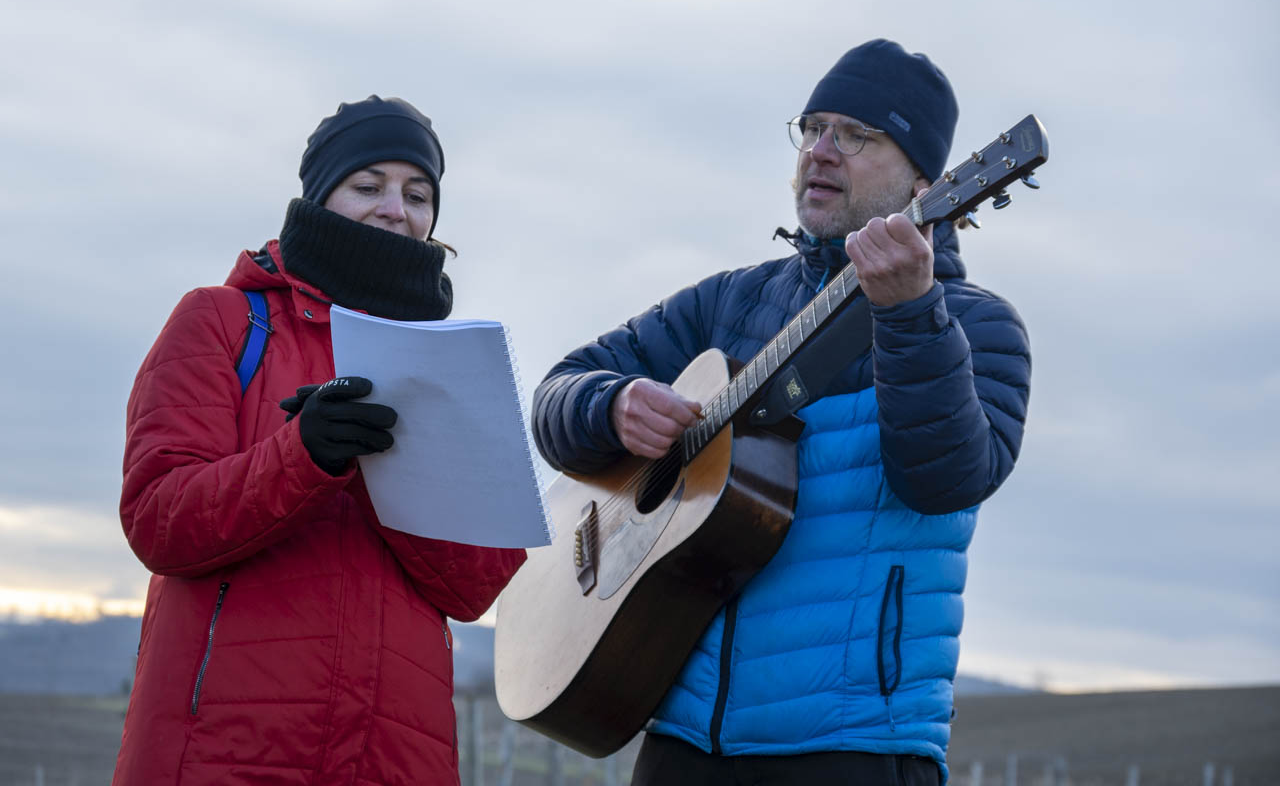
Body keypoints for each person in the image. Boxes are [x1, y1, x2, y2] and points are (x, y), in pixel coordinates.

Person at [531, 40, 1031, 785]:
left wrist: (909, 316)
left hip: (857, 747)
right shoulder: (728, 302)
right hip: (683, 742)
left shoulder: (975, 326)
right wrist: (610, 407)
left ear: (926, 183)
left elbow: (945, 481)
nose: (820, 152)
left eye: (856, 135)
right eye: (813, 128)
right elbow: (558, 390)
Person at [114, 96, 526, 785]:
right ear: (320, 195)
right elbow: (158, 520)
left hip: (393, 758)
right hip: (223, 755)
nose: (394, 209)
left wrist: (388, 476)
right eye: (368, 185)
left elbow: (478, 585)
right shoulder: (222, 321)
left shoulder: (451, 365)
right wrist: (302, 456)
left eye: (417, 195)